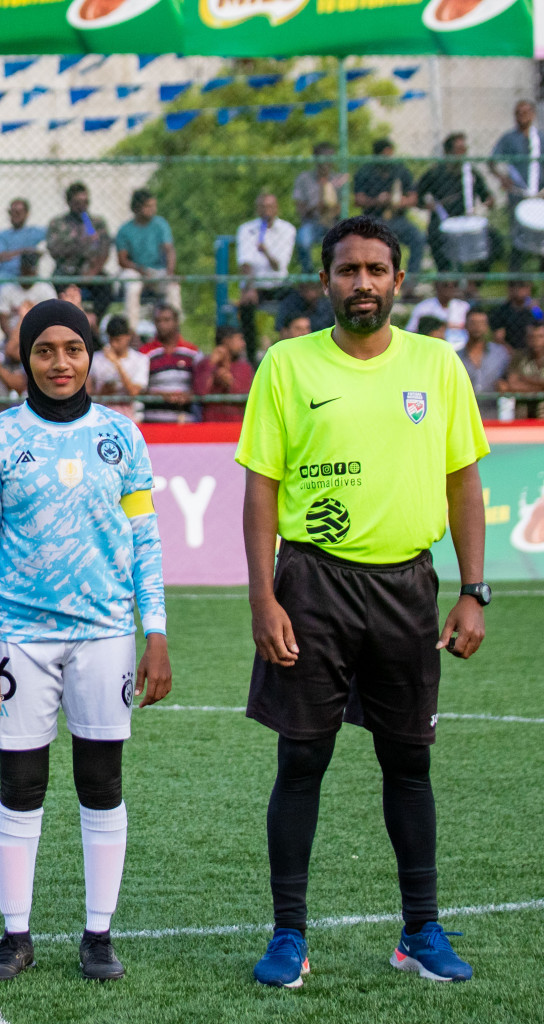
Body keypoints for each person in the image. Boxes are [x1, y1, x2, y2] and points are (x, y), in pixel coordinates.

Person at [237, 215, 488, 989]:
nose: (364, 283)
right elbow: (260, 489)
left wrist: (474, 590)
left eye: (377, 270)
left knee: (408, 759)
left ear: (398, 282)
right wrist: (262, 596)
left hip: (407, 585)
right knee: (302, 757)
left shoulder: (437, 365)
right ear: (326, 281)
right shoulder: (285, 365)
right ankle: (289, 937)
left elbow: (463, 483)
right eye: (348, 270)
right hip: (311, 584)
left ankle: (419, 930)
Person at [0, 298, 170, 983]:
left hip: (106, 634)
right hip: (19, 637)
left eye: (72, 349)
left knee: (101, 782)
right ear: (25, 358)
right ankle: (15, 935)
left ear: (90, 357)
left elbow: (145, 540)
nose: (59, 362)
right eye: (44, 350)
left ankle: (98, 934)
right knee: (20, 783)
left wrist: (155, 632)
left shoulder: (123, 438)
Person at [417, 133, 498, 275]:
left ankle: (473, 283)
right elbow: (417, 196)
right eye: (458, 149)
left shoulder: (470, 173)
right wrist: (427, 205)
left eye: (464, 149)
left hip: (467, 220)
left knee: (496, 241)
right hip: (443, 222)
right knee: (435, 237)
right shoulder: (435, 172)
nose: (462, 153)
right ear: (448, 152)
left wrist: (489, 202)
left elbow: (486, 195)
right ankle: (447, 279)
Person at [353, 140, 424, 291]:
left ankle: (410, 284)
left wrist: (400, 201)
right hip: (373, 219)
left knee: (418, 238)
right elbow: (358, 200)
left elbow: (413, 198)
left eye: (390, 155)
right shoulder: (366, 171)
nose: (388, 160)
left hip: (398, 218)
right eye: (384, 156)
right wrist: (377, 201)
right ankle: (377, 284)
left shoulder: (400, 171)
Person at [236, 193, 298, 362]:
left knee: (296, 302)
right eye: (263, 207)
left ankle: (287, 352)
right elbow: (245, 263)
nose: (266, 211)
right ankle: (251, 357)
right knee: (246, 306)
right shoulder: (247, 229)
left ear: (277, 208)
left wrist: (266, 251)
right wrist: (250, 288)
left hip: (278, 285)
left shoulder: (287, 230)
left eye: (270, 207)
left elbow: (279, 266)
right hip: (255, 285)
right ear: (257, 209)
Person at [489, 100, 542, 274]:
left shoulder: (539, 137)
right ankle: (517, 283)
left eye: (526, 112)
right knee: (517, 242)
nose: (522, 116)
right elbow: (493, 161)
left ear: (533, 114)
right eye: (519, 113)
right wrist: (502, 178)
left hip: (540, 195)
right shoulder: (509, 138)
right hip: (519, 196)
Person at [47, 182, 113, 316]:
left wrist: (92, 272)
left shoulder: (96, 222)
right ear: (69, 202)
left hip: (91, 271)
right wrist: (78, 246)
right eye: (77, 202)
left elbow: (104, 250)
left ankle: (94, 322)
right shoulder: (58, 223)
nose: (82, 206)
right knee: (56, 290)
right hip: (65, 272)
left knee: (106, 286)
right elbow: (54, 250)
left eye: (85, 201)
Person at [115, 189, 179, 327]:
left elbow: (169, 250)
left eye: (153, 206)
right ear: (137, 208)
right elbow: (122, 261)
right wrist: (141, 270)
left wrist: (170, 272)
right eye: (148, 206)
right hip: (135, 270)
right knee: (133, 286)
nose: (153, 210)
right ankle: (132, 331)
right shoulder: (125, 230)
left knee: (173, 287)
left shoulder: (160, 224)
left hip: (156, 270)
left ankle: (174, 328)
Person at [292, 143, 348, 272]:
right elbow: (301, 209)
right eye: (323, 158)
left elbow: (341, 207)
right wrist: (317, 207)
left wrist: (330, 208)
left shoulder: (338, 179)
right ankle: (309, 273)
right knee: (303, 239)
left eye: (330, 158)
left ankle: (338, 271)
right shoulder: (304, 179)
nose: (327, 162)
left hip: (334, 223)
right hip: (312, 222)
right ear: (316, 158)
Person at [140, 305, 197, 424]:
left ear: (176, 322)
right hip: (154, 420)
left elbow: (199, 385)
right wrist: (162, 396)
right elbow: (139, 388)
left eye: (166, 320)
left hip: (184, 420)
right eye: (158, 321)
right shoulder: (145, 353)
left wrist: (188, 395)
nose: (161, 325)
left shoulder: (191, 351)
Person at [88, 315, 147, 422]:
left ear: (128, 336)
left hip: (131, 418)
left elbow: (134, 392)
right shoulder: (96, 359)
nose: (114, 344)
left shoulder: (140, 360)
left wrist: (116, 363)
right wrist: (104, 391)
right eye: (111, 340)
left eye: (118, 340)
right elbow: (88, 394)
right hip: (101, 417)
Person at [457, 310, 511, 418]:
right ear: (465, 326)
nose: (477, 327)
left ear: (487, 327)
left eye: (481, 323)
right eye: (473, 323)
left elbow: (510, 378)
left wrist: (505, 385)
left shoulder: (501, 353)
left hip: (494, 414)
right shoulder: (455, 356)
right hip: (464, 415)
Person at [194, 326, 253, 422]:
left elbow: (243, 394)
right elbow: (200, 392)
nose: (243, 344)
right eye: (239, 339)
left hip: (236, 424)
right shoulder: (205, 364)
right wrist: (212, 365)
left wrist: (228, 379)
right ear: (227, 341)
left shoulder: (244, 367)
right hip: (210, 424)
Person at [0, 252, 56, 342]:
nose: (29, 274)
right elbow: (3, 322)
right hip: (14, 338)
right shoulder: (7, 289)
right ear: (21, 269)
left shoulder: (46, 289)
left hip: (41, 338)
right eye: (26, 270)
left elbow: (53, 319)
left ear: (36, 271)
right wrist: (15, 340)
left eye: (31, 271)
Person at [402, 278, 469, 349]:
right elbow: (411, 331)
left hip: (462, 349)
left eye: (454, 285)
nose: (450, 288)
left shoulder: (464, 306)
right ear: (437, 287)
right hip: (431, 347)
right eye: (445, 285)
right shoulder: (423, 307)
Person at [0, 198, 45, 280]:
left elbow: (53, 234)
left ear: (27, 214)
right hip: (7, 276)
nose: (14, 215)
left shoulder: (34, 232)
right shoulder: (1, 235)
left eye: (18, 212)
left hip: (30, 277)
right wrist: (24, 252)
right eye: (11, 212)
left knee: (47, 289)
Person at [273, 280, 335, 346]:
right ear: (301, 288)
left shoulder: (327, 306)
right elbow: (282, 331)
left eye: (315, 288)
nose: (312, 293)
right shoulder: (289, 303)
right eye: (308, 288)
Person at [488, 279, 542, 350]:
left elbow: (541, 325)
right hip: (507, 351)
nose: (524, 291)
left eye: (526, 288)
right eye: (520, 287)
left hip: (531, 350)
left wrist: (536, 309)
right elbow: (498, 337)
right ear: (510, 289)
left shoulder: (533, 310)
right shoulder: (501, 311)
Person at [505, 320, 544, 418]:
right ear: (526, 338)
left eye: (540, 336)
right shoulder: (519, 357)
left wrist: (525, 380)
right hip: (523, 411)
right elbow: (512, 384)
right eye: (532, 337)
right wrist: (540, 387)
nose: (536, 340)